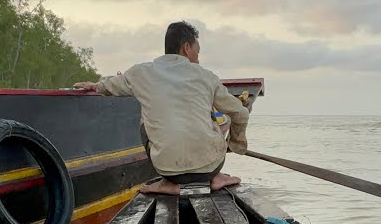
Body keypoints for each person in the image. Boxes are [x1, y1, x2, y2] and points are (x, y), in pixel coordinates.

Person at [74, 21, 249, 195]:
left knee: (146, 118)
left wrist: (95, 86)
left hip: (168, 171)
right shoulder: (207, 77)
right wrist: (234, 146)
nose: (198, 57)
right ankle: (217, 177)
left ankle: (166, 183)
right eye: (197, 51)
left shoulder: (140, 73)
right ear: (186, 48)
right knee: (211, 116)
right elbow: (241, 113)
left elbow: (111, 86)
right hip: (210, 168)